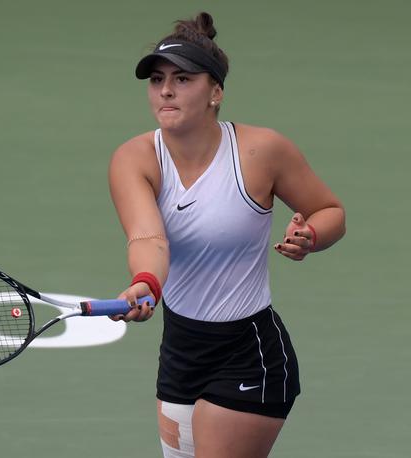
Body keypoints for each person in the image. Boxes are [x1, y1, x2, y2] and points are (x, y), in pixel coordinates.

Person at [108, 11, 346, 458]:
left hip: (247, 353)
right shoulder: (134, 158)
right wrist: (147, 283)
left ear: (215, 92)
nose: (165, 89)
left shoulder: (261, 152)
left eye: (183, 79)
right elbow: (148, 239)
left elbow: (331, 211)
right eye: (157, 79)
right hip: (179, 351)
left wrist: (311, 235)